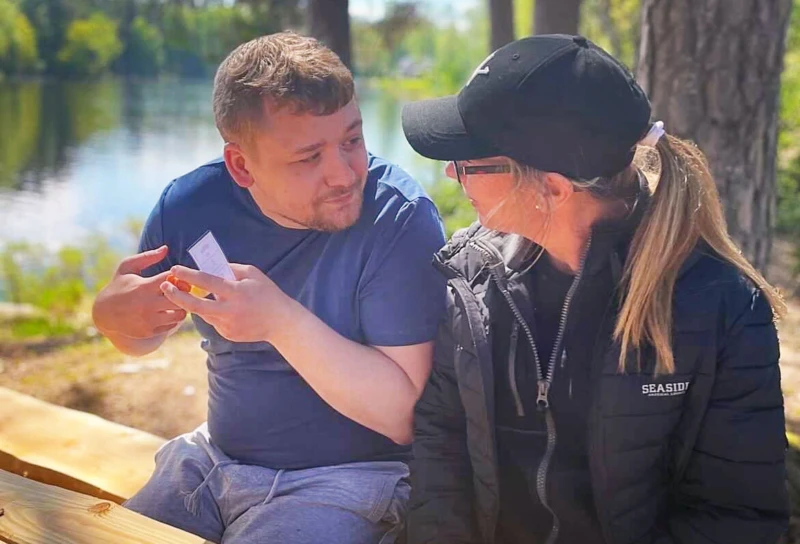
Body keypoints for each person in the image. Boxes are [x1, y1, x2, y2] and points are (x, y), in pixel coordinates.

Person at [400, 34, 789, 544]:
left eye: (469, 162)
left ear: (553, 188)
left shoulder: (722, 309)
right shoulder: (470, 279)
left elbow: (735, 517)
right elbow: (440, 455)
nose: (451, 173)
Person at [91, 31, 446, 544]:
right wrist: (112, 317)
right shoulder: (190, 206)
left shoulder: (398, 219)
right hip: (210, 464)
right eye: (309, 158)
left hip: (348, 480)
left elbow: (405, 417)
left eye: (353, 140)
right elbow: (140, 339)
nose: (344, 174)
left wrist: (279, 320)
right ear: (240, 165)